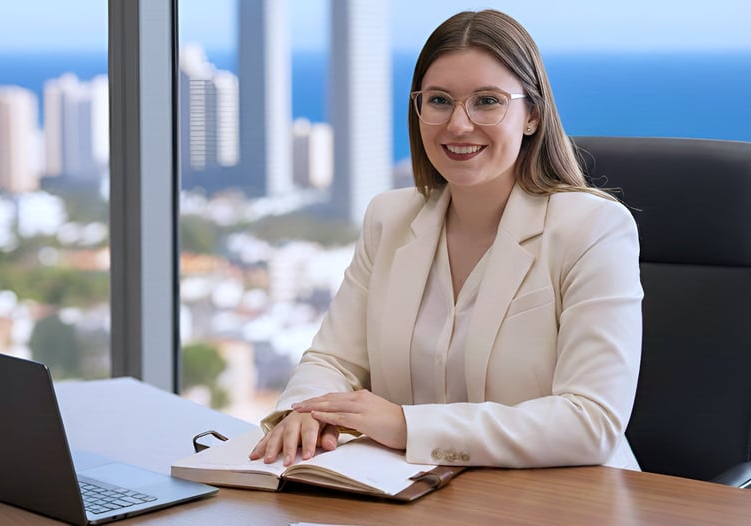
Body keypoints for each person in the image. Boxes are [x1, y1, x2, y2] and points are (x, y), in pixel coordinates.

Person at [250, 9, 643, 470]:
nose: (458, 124)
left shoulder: (592, 229)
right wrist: (305, 414)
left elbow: (591, 421)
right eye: (439, 100)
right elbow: (333, 359)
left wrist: (408, 426)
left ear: (532, 115)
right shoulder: (389, 218)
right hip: (411, 496)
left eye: (487, 101)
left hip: (563, 503)